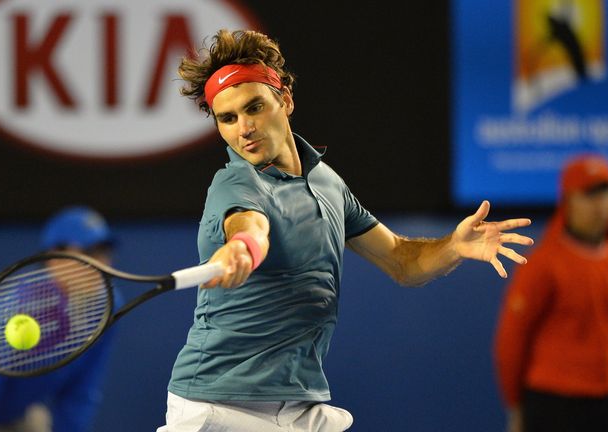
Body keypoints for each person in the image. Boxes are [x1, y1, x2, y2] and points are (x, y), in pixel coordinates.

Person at [160, 29, 534, 432]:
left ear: (284, 100)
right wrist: (242, 248)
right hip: (217, 407)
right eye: (227, 118)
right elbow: (249, 225)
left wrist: (454, 246)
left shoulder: (327, 182)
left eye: (254, 108)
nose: (243, 129)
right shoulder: (235, 185)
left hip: (298, 403)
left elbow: (401, 261)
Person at [0, 206, 117, 432]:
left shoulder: (109, 306)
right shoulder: (19, 305)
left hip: (13, 413)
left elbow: (80, 393)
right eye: (88, 252)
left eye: (103, 251)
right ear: (54, 258)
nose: (100, 263)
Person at [493, 154, 608, 432]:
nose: (600, 205)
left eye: (606, 194)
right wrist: (515, 406)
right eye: (589, 195)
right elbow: (511, 340)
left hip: (606, 401)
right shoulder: (542, 265)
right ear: (568, 202)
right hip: (551, 404)